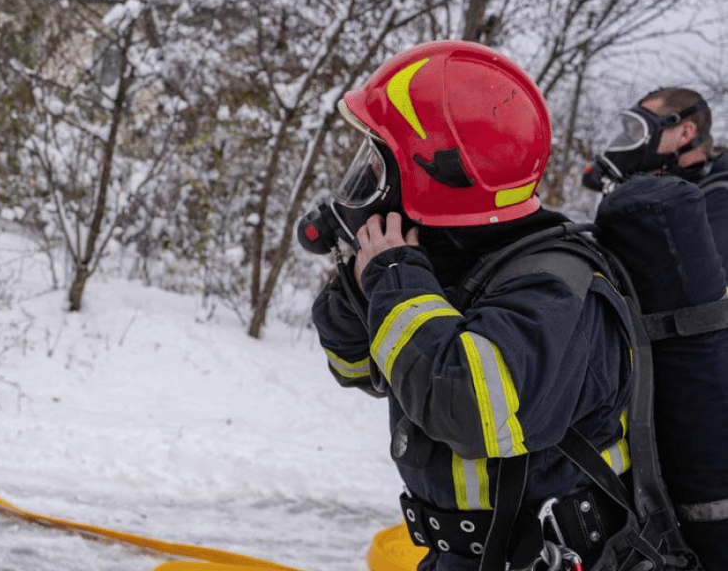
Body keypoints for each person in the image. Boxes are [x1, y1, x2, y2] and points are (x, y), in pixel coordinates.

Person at [306, 41, 633, 570]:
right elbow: (359, 368)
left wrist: (394, 278)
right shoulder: (453, 267)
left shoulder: (555, 288)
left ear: (437, 175)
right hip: (461, 556)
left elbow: (473, 412)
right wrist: (358, 278)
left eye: (377, 165)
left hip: (552, 557)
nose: (364, 181)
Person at [583, 86, 728, 567]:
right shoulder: (670, 200)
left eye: (638, 130)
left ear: (685, 131)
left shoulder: (713, 204)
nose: (628, 142)